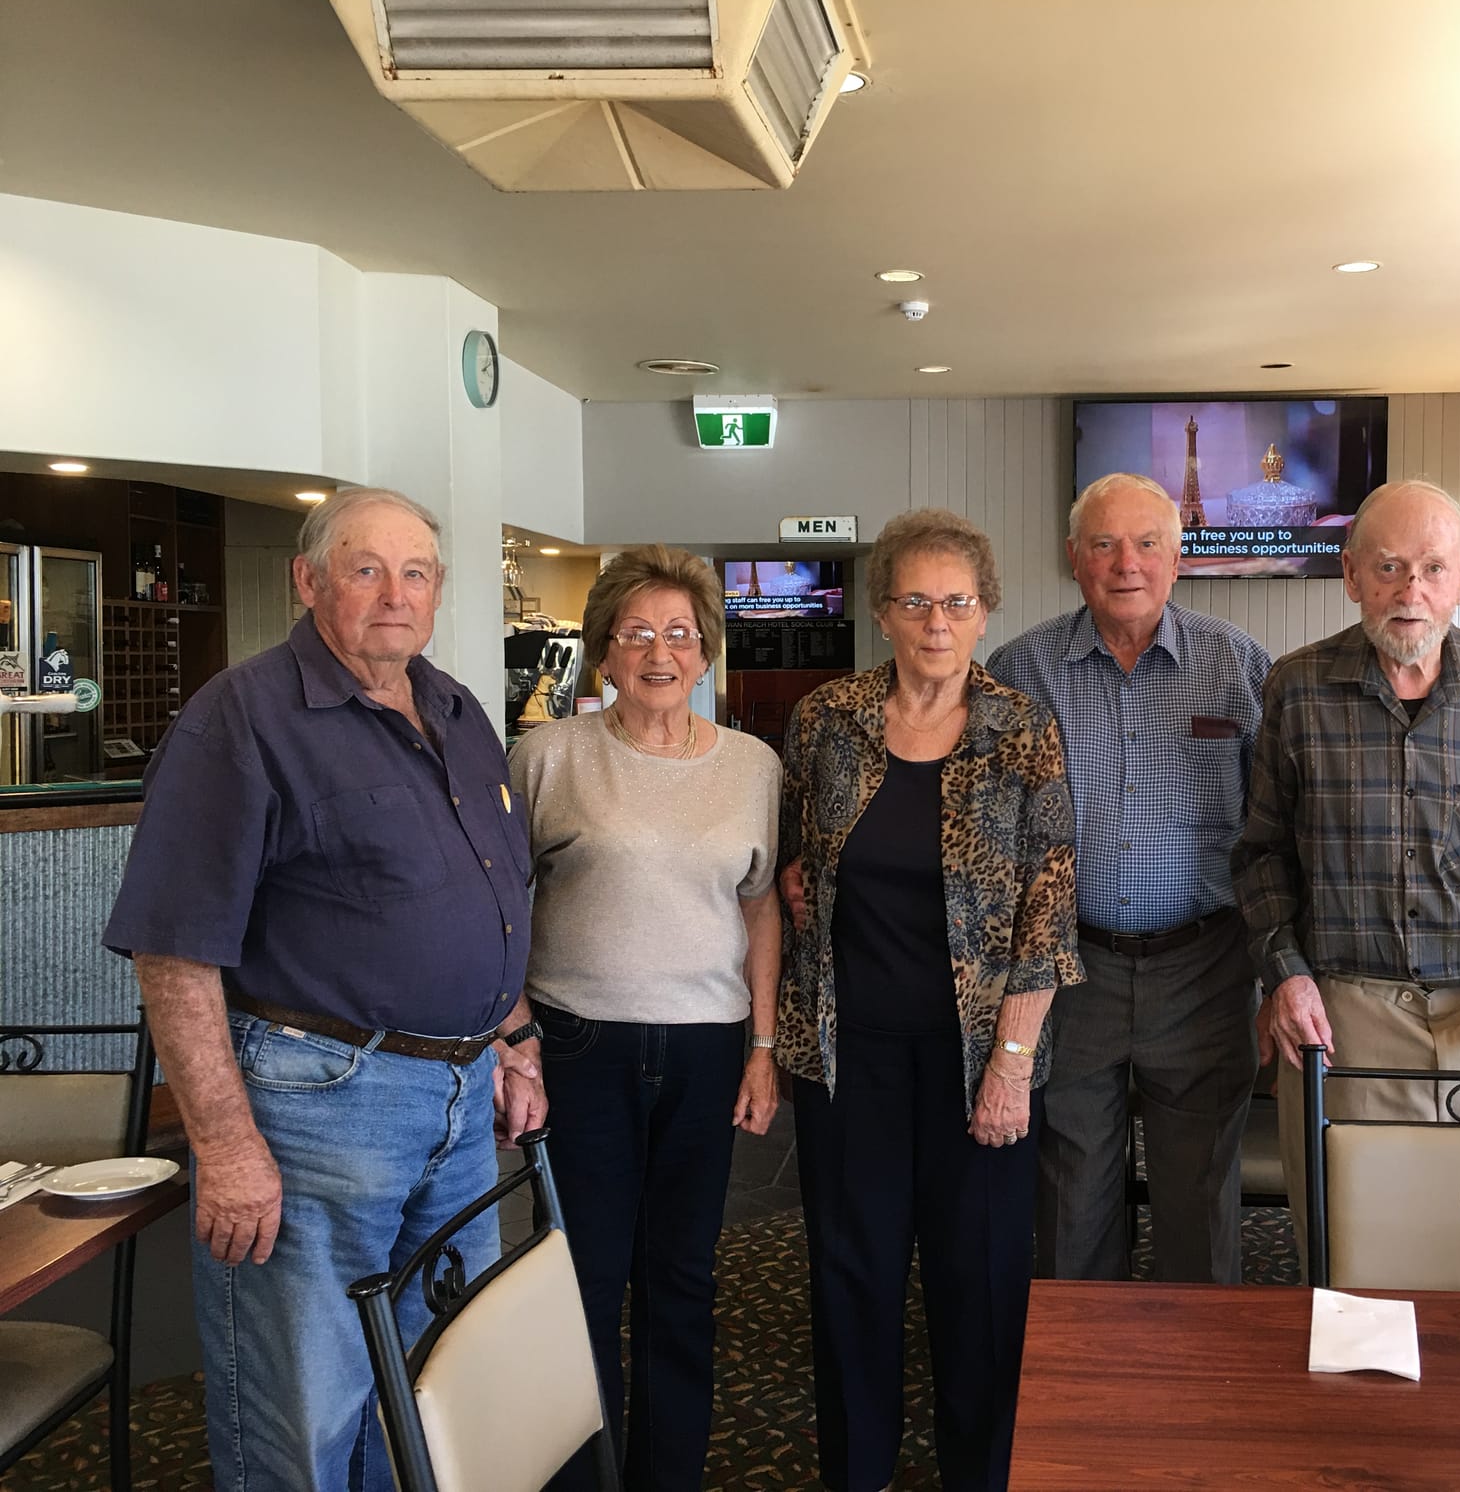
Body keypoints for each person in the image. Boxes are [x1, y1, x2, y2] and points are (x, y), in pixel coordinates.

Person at [101, 488, 545, 1492]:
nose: (395, 595)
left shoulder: (455, 707)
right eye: (366, 570)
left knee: (437, 1383)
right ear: (307, 581)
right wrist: (225, 1147)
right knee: (304, 1407)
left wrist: (510, 1037)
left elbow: (490, 891)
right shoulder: (241, 719)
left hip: (460, 1102)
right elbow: (172, 952)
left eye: (416, 573)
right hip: (317, 1109)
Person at [778, 507, 1081, 1492]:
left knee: (977, 1283)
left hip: (978, 1060)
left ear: (985, 612)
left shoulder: (1021, 729)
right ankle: (856, 1473)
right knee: (850, 1277)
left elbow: (1047, 908)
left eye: (956, 602)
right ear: (882, 612)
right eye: (915, 601)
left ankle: (978, 1476)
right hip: (847, 1057)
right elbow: (793, 865)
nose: (936, 622)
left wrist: (1012, 1065)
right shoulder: (826, 720)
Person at [1233, 479, 1460, 1250]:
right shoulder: (1297, 687)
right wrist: (1284, 975)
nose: (1410, 591)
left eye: (1433, 568)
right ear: (1351, 575)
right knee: (1356, 1254)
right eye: (1388, 567)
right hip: (1349, 1017)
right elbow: (1262, 853)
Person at [508, 546, 781, 1490]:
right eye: (636, 634)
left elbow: (760, 907)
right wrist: (513, 1037)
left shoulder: (753, 766)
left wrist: (762, 1046)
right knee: (578, 1279)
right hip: (578, 1045)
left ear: (705, 652)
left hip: (708, 1048)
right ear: (603, 653)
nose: (660, 652)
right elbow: (501, 905)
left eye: (680, 634)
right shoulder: (547, 756)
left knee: (682, 1278)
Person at [986, 472, 1270, 1285]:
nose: (1127, 563)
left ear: (1177, 559)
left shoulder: (1239, 667)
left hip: (1207, 967)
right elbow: (987, 829)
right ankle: (1084, 1362)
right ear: (1074, 558)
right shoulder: (1020, 668)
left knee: (1200, 1194)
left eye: (1147, 543)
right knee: (1071, 1194)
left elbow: (1275, 827)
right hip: (1071, 970)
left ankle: (1198, 1360)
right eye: (1104, 545)